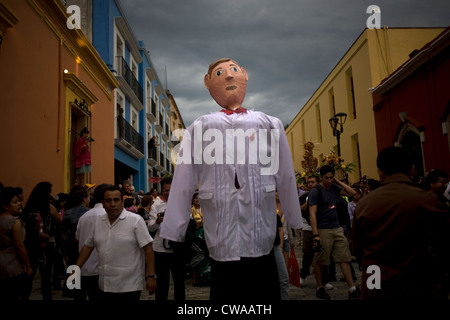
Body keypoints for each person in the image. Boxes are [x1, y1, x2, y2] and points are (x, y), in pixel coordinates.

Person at [160, 58, 303, 301]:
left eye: (234, 70)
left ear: (245, 75)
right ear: (208, 82)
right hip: (221, 231)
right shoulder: (200, 126)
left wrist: (293, 215)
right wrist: (174, 227)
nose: (228, 76)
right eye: (219, 72)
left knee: (264, 293)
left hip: (261, 230)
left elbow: (286, 174)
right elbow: (183, 180)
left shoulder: (270, 124)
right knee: (226, 293)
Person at [352, 147, 445, 299]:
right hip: (416, 282)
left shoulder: (365, 203)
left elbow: (357, 247)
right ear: (412, 170)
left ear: (380, 172)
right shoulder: (428, 201)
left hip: (375, 281)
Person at [75, 185, 157, 300]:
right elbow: (87, 247)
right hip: (104, 285)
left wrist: (151, 276)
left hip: (129, 286)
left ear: (122, 202)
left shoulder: (135, 220)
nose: (112, 204)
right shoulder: (99, 222)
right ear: (103, 203)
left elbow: (148, 249)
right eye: (108, 200)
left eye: (116, 200)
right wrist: (75, 269)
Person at [309, 165, 358, 300]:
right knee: (321, 260)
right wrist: (315, 234)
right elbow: (312, 214)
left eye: (331, 178)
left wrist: (338, 182)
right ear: (321, 178)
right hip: (323, 228)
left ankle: (352, 288)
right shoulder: (316, 191)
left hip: (336, 227)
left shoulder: (334, 188)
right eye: (326, 178)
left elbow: (352, 193)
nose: (329, 180)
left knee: (344, 257)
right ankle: (320, 287)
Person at [21, 181, 61, 300]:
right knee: (46, 278)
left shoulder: (28, 208)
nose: (50, 195)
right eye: (49, 192)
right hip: (44, 246)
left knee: (30, 278)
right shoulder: (49, 208)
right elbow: (59, 221)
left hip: (32, 246)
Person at [148, 177, 186, 300]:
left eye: (171, 190)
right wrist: (158, 221)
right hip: (160, 249)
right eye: (165, 190)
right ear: (162, 190)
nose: (168, 193)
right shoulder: (156, 205)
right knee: (162, 283)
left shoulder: (182, 203)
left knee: (179, 283)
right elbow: (151, 227)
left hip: (177, 248)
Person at [74, 183, 109, 301]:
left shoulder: (84, 217)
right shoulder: (108, 216)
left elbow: (77, 237)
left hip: (85, 268)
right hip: (102, 268)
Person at [0, 187, 34, 300]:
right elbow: (19, 246)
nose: (19, 204)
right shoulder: (14, 222)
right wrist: (28, 266)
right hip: (13, 265)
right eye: (15, 202)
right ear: (5, 206)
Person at [423, 168, 450, 299]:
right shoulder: (428, 201)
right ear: (432, 183)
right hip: (434, 252)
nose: (444, 185)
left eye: (446, 182)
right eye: (441, 182)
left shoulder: (442, 199)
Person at [299, 175, 319, 286]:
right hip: (308, 227)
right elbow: (300, 209)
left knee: (322, 254)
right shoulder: (304, 196)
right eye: (309, 182)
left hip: (321, 226)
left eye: (313, 182)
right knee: (307, 252)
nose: (310, 184)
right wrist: (309, 200)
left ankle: (323, 280)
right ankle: (303, 274)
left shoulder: (322, 194)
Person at [188, 192, 211, 286]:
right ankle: (195, 278)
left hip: (205, 233)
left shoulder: (205, 209)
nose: (197, 200)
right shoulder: (190, 210)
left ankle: (207, 276)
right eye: (195, 198)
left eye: (199, 198)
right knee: (196, 255)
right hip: (195, 235)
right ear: (193, 199)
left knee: (207, 254)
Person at [275, 192, 290, 300]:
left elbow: (284, 226)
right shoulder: (269, 205)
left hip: (282, 240)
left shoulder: (285, 205)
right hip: (273, 243)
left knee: (284, 277)